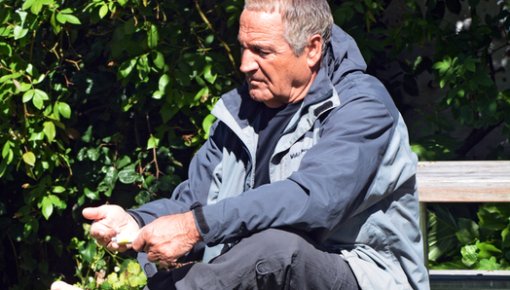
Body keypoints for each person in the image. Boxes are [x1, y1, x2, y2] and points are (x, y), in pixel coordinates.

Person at [53, 0, 430, 289]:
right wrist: (136, 221)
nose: (245, 64)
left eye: (262, 51)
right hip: (256, 275)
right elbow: (192, 203)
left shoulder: (361, 107)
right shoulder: (241, 112)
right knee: (175, 249)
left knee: (278, 249)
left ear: (312, 49)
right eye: (243, 47)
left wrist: (196, 226)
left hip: (361, 274)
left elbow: (313, 200)